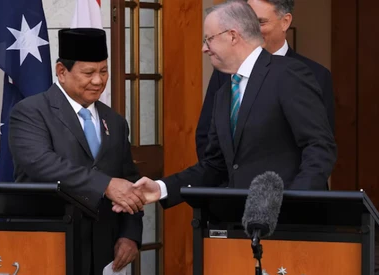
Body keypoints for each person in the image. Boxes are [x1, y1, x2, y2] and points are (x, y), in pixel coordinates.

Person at [113, 0, 336, 212]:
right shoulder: (225, 91)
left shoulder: (288, 74)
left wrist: (294, 203)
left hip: (286, 227)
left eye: (208, 39)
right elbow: (215, 165)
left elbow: (319, 147)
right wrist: (161, 188)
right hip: (238, 224)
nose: (204, 48)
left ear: (232, 36)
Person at [8, 28, 144, 275]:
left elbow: (129, 180)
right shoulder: (31, 112)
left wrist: (131, 235)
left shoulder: (115, 121)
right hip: (50, 252)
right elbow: (41, 164)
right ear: (61, 70)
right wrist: (105, 185)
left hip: (102, 263)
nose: (99, 81)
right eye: (88, 72)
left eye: (104, 71)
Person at [195, 0, 335, 161]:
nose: (251, 30)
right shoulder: (226, 72)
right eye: (248, 22)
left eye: (260, 22)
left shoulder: (315, 74)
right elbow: (207, 138)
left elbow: (319, 146)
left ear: (285, 22)